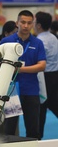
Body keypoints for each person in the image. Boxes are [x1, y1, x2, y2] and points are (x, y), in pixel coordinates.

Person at [0, 10, 46, 139]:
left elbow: (42, 66)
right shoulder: (6, 41)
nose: (26, 26)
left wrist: (20, 69)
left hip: (31, 90)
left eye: (29, 23)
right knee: (9, 129)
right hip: (10, 91)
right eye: (23, 22)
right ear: (17, 23)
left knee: (32, 129)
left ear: (33, 24)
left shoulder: (38, 43)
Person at [34, 11, 58, 140]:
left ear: (38, 25)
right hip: (55, 74)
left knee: (41, 106)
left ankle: (38, 136)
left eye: (33, 21)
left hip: (44, 76)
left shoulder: (40, 40)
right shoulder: (53, 37)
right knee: (53, 104)